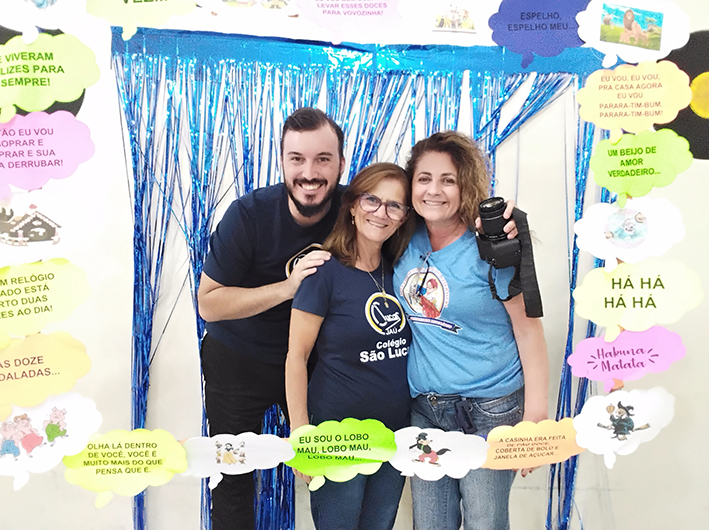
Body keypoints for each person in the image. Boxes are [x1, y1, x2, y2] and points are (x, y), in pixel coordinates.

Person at [197, 107, 345, 530]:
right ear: (282, 161)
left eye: (322, 159)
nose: (309, 173)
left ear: (341, 163)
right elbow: (209, 304)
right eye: (297, 159)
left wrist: (499, 226)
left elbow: (418, 217)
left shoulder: (358, 210)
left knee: (333, 469)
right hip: (238, 360)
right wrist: (288, 288)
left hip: (317, 363)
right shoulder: (248, 215)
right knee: (231, 480)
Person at [393, 131, 548, 530]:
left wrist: (535, 417)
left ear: (466, 185)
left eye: (448, 180)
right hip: (425, 411)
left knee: (485, 522)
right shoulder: (401, 239)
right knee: (430, 524)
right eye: (424, 178)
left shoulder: (493, 247)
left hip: (490, 410)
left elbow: (528, 330)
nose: (434, 190)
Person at [285, 163, 416, 530]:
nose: (381, 212)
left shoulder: (400, 272)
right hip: (337, 436)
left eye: (394, 205)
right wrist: (300, 434)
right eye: (372, 200)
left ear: (404, 217)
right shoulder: (324, 272)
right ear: (353, 206)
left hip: (393, 436)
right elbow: (296, 356)